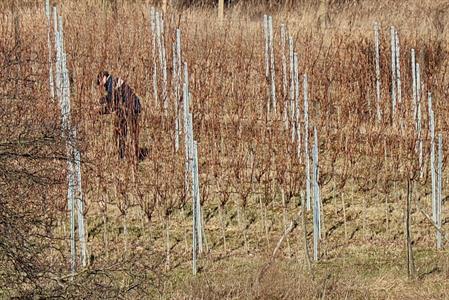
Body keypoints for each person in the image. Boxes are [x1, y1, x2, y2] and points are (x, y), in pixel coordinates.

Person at [97, 71, 143, 162]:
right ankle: (131, 157)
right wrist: (101, 101)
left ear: (104, 77)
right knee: (128, 133)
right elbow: (112, 98)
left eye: (100, 81)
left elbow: (112, 104)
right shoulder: (113, 82)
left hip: (130, 109)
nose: (100, 84)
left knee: (124, 133)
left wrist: (100, 111)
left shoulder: (111, 83)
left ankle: (126, 157)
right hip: (131, 108)